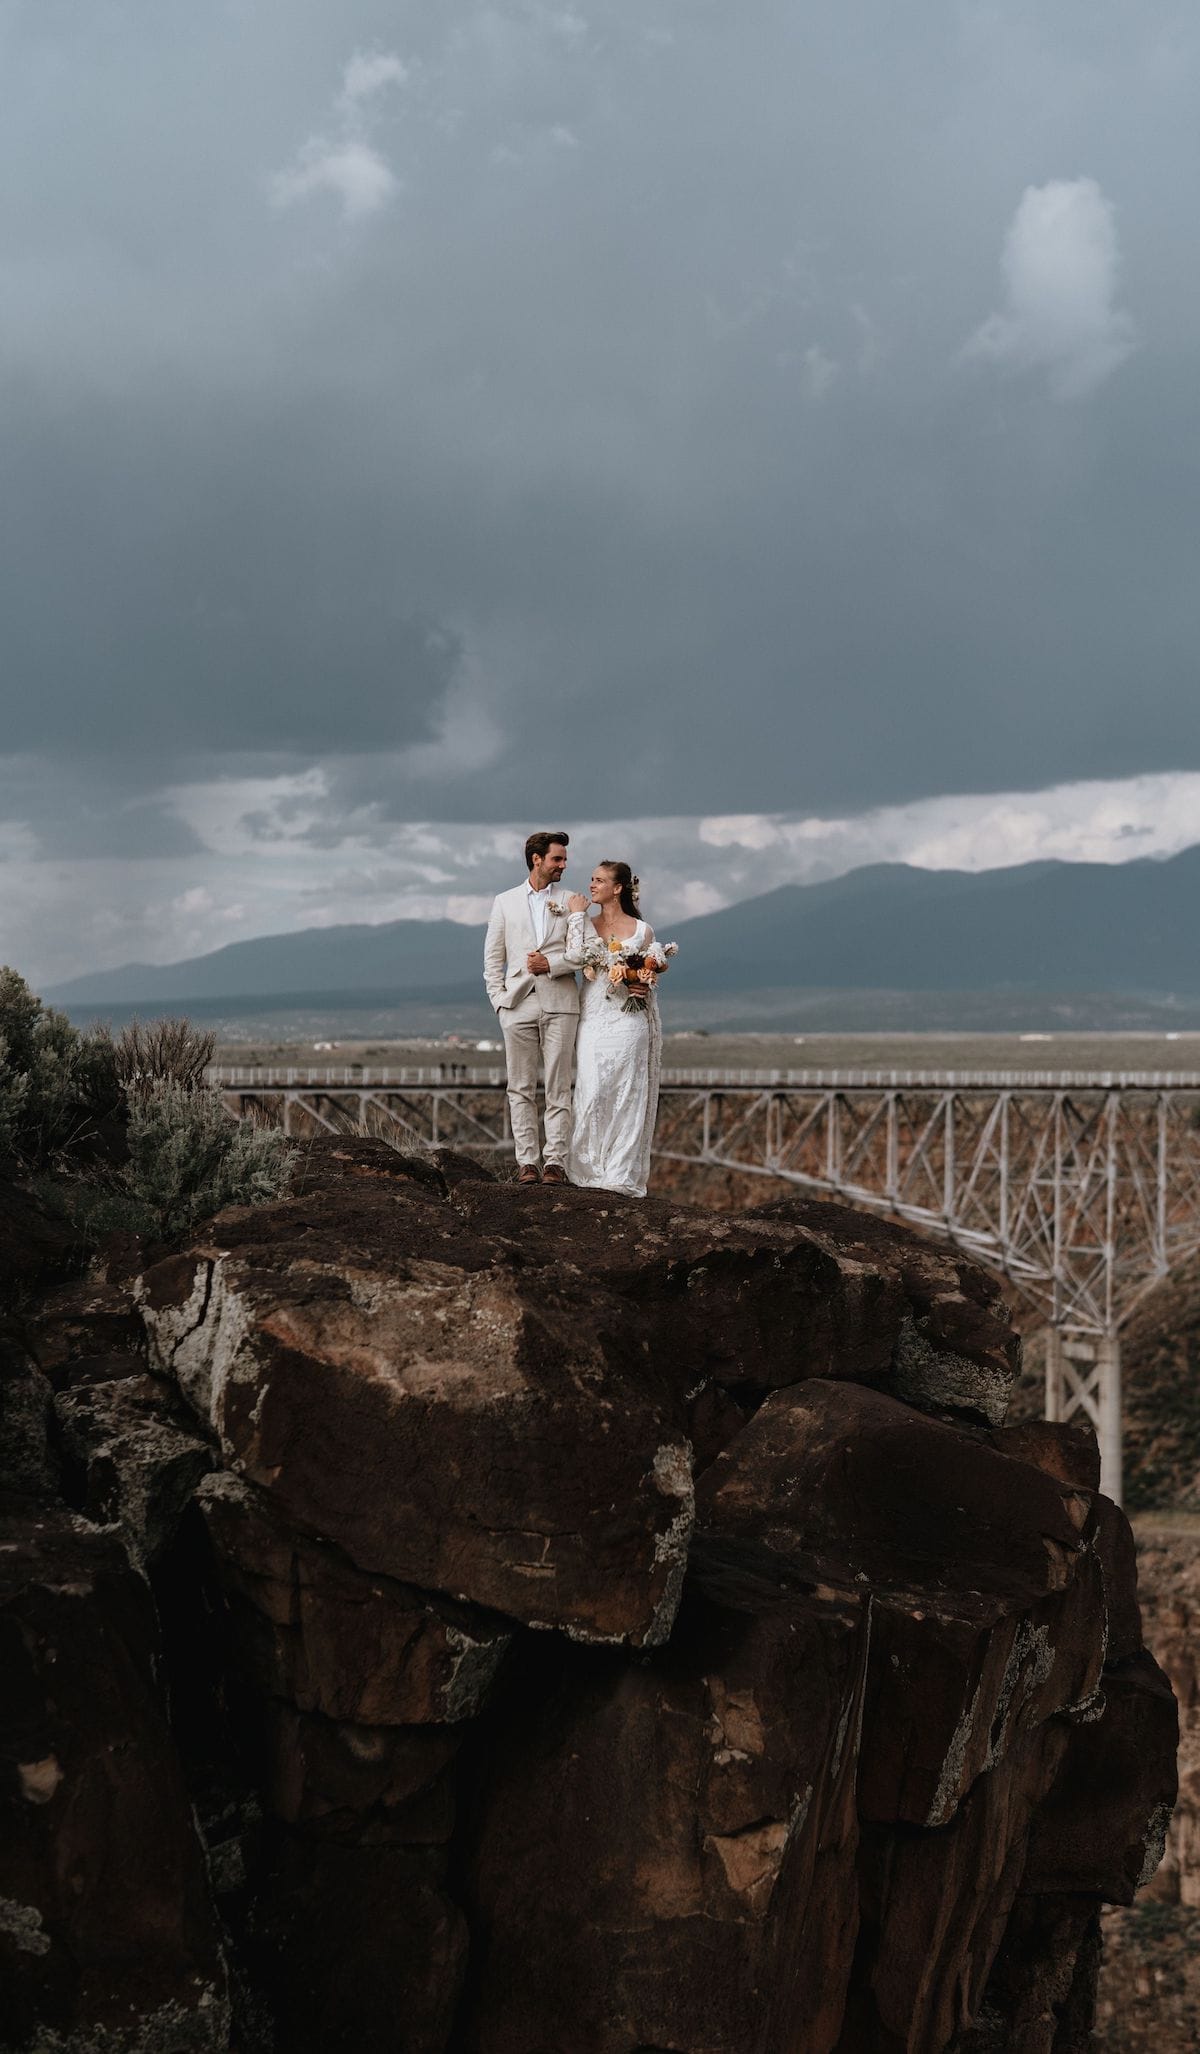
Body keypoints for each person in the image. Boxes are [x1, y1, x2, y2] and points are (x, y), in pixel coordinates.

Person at [483, 831, 580, 1185]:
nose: (564, 865)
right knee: (520, 1087)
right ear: (536, 859)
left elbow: (582, 954)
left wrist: (551, 965)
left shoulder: (572, 901)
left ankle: (555, 1162)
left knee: (559, 1086)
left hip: (561, 1004)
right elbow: (493, 959)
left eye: (564, 859)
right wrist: (500, 1004)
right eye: (558, 859)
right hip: (518, 1005)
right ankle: (527, 1162)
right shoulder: (504, 901)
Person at [563, 860, 665, 1198]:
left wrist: (643, 983)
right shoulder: (586, 924)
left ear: (618, 887)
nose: (591, 885)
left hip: (628, 1020)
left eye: (599, 880)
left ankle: (619, 1171)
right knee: (592, 1090)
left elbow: (650, 973)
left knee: (628, 1092)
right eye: (591, 879)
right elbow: (574, 956)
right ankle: (588, 1169)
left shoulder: (642, 931)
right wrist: (576, 915)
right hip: (593, 1018)